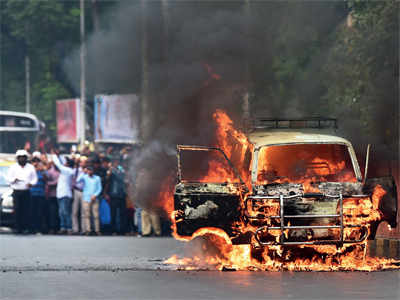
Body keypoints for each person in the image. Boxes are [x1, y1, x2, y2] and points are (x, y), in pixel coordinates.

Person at [6, 150, 38, 234]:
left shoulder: (31, 167)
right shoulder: (13, 167)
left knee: (26, 210)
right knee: (17, 210)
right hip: (17, 191)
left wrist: (31, 184)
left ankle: (25, 227)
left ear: (26, 158)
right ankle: (17, 227)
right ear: (17, 158)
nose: (22, 159)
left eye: (23, 158)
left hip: (26, 191)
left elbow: (34, 179)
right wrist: (14, 180)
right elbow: (8, 179)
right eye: (20, 158)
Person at [51, 151, 75, 234]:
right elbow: (60, 162)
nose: (64, 163)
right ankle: (63, 227)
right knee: (61, 212)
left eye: (66, 162)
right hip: (60, 194)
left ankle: (69, 227)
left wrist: (54, 155)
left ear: (68, 164)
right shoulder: (65, 170)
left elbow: (58, 164)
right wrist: (59, 155)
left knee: (65, 212)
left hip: (65, 194)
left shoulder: (68, 170)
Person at [76, 166, 102, 235]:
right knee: (87, 215)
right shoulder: (84, 177)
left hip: (94, 198)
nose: (90, 172)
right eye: (88, 170)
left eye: (91, 170)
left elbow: (99, 188)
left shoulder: (97, 178)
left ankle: (97, 230)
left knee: (96, 215)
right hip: (86, 198)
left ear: (93, 171)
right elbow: (77, 180)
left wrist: (95, 195)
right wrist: (82, 173)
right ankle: (88, 230)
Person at [106, 157, 127, 235]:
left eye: (117, 162)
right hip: (113, 195)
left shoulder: (122, 171)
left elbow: (126, 181)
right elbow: (107, 182)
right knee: (113, 214)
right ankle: (113, 230)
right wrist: (106, 193)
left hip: (122, 194)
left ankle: (122, 230)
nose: (116, 163)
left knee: (122, 214)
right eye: (115, 162)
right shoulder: (111, 171)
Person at [30, 152, 48, 234]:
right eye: (34, 161)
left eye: (37, 161)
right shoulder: (30, 170)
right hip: (31, 193)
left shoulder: (42, 170)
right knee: (31, 212)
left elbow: (46, 179)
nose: (36, 163)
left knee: (40, 212)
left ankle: (39, 228)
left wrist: (42, 170)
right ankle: (31, 228)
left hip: (40, 193)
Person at [71, 155, 87, 235]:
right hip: (76, 191)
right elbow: (72, 179)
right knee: (75, 211)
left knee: (83, 212)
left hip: (84, 191)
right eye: (81, 162)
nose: (82, 163)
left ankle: (84, 229)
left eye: (84, 162)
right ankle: (75, 229)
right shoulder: (75, 170)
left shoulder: (88, 171)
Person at [46, 158, 60, 234]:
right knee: (52, 212)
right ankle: (52, 227)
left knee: (58, 212)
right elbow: (47, 181)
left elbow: (56, 182)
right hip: (52, 195)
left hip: (60, 194)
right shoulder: (50, 171)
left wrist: (49, 183)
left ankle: (57, 227)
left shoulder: (61, 171)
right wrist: (49, 183)